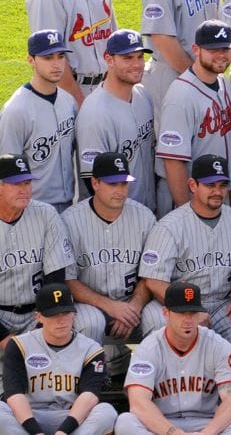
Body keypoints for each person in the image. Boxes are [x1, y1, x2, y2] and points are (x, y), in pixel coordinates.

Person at [139, 154, 231, 374]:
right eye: (210, 185)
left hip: (221, 303)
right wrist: (190, 311)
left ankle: (223, 391)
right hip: (178, 304)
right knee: (155, 319)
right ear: (193, 185)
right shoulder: (170, 226)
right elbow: (153, 280)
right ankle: (164, 389)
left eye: (222, 185)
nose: (217, 192)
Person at [114, 282, 231, 435]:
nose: (188, 320)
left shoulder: (219, 346)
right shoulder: (149, 348)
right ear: (166, 313)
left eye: (192, 312)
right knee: (126, 422)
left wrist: (207, 433)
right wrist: (173, 432)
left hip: (207, 423)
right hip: (162, 424)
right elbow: (138, 402)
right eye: (181, 313)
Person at [63, 153, 156, 347]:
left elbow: (152, 274)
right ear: (95, 183)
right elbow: (67, 279)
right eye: (113, 184)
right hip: (89, 304)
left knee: (159, 318)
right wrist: (110, 306)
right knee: (89, 323)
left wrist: (133, 308)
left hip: (133, 302)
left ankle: (147, 376)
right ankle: (90, 377)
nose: (120, 190)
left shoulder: (145, 217)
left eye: (124, 183)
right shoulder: (69, 220)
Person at [0, 283, 116, 435]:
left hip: (71, 416)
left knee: (107, 412)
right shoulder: (19, 345)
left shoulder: (91, 348)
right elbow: (14, 394)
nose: (61, 320)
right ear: (39, 317)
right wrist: (36, 432)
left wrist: (63, 432)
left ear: (74, 314)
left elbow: (90, 395)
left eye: (66, 312)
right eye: (53, 314)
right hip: (30, 415)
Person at [156, 20, 231, 209]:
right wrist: (188, 213)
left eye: (225, 49)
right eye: (213, 50)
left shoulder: (224, 83)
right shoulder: (181, 97)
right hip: (187, 200)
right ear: (196, 49)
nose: (221, 56)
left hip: (216, 194)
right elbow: (173, 161)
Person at [76, 29, 156, 213]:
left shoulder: (142, 96)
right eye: (127, 58)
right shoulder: (95, 113)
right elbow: (93, 180)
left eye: (139, 57)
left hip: (148, 212)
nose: (137, 65)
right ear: (109, 60)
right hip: (115, 218)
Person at [0, 29, 77, 212]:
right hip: (32, 209)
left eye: (60, 56)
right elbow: (6, 170)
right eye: (48, 57)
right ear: (31, 61)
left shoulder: (68, 102)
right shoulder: (16, 110)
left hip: (69, 206)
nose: (57, 64)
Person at [0, 154, 73, 346]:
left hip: (39, 313)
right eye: (17, 184)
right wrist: (3, 338)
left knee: (81, 324)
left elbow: (55, 277)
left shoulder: (46, 214)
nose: (25, 190)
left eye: (27, 183)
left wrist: (43, 324)